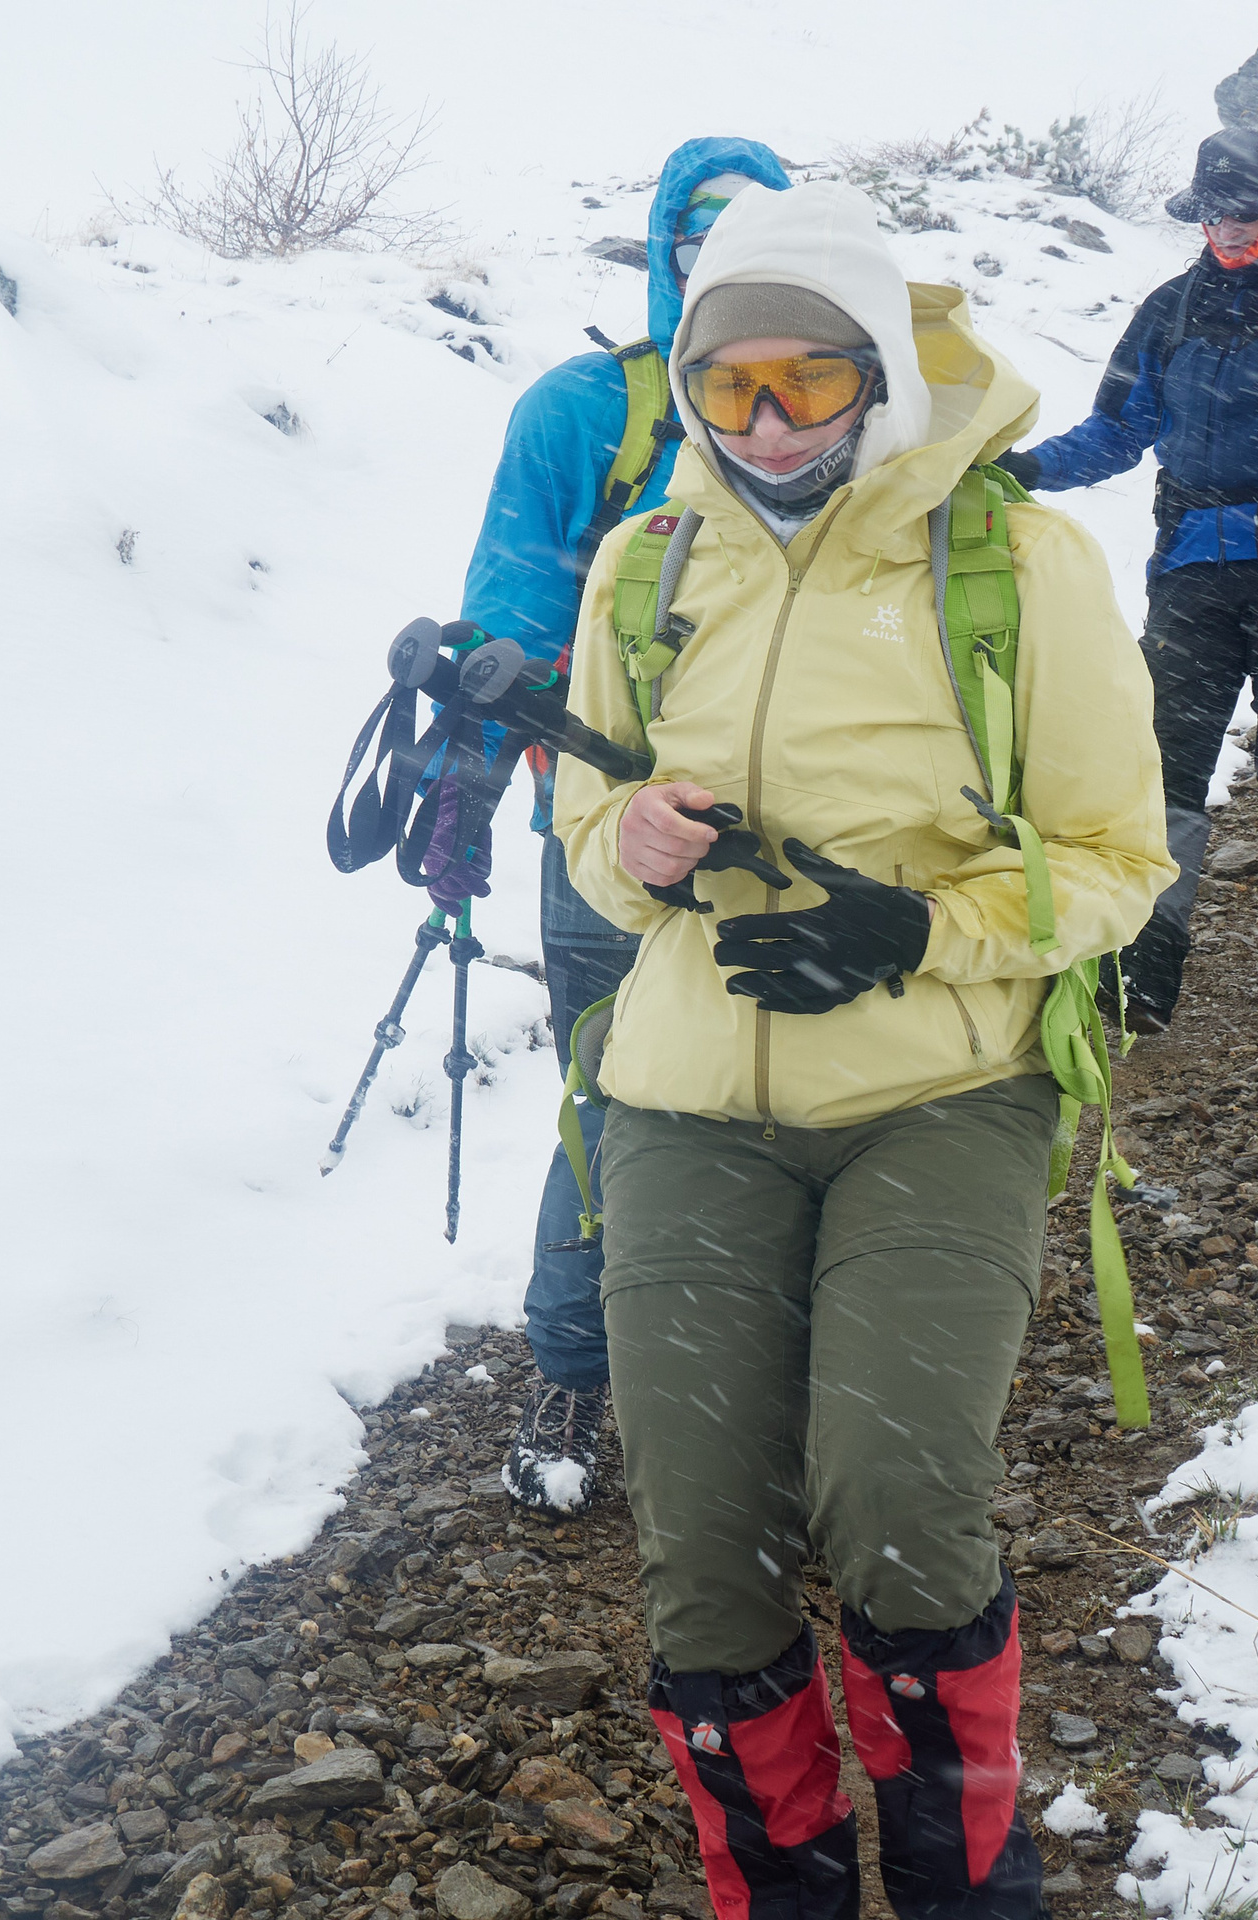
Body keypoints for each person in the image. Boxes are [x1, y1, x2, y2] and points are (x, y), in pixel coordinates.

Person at [553, 176, 1173, 1920]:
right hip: (686, 1101)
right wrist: (638, 850)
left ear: (881, 376)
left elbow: (1125, 858)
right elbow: (588, 844)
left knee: (898, 1504)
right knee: (705, 1571)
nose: (765, 424)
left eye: (809, 386)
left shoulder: (1018, 565)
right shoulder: (646, 567)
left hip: (941, 1093)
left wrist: (923, 928)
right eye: (728, 385)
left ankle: (973, 1896)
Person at [455, 135, 792, 1515]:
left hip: (792, 831)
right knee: (612, 1081)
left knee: (791, 1082)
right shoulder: (584, 413)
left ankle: (778, 1365)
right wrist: (468, 775)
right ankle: (578, 1368)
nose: (719, 254)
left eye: (751, 231)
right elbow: (513, 607)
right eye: (698, 233)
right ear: (663, 246)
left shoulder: (842, 411)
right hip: (600, 818)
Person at [994, 129, 1258, 1030]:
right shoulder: (1171, 307)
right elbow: (1118, 430)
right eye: (1211, 214)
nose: (1225, 231)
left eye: (1242, 213)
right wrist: (1021, 473)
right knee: (1166, 769)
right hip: (1194, 563)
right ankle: (1145, 973)